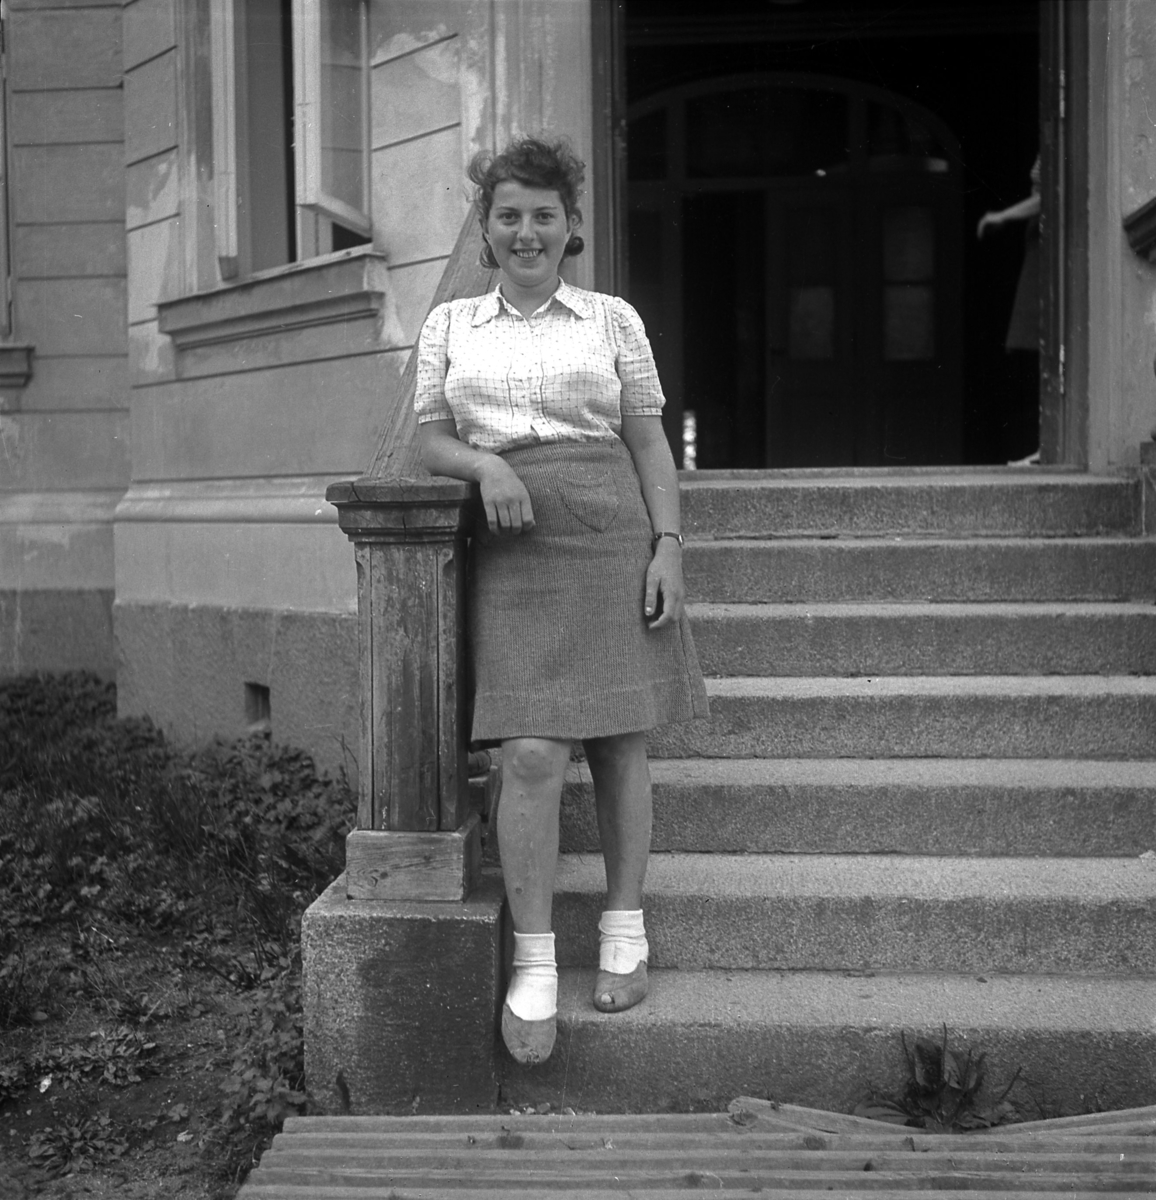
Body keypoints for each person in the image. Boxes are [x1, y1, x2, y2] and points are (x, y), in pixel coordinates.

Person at [414, 136, 709, 1066]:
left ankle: (625, 930)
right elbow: (428, 439)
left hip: (611, 532)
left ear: (571, 224)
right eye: (509, 215)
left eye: (544, 214)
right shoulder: (451, 326)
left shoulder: (612, 320)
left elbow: (650, 443)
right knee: (531, 753)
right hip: (514, 547)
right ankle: (534, 961)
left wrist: (668, 548)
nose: (527, 231)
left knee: (619, 742)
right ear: (487, 226)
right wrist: (485, 463)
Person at [977, 155, 1041, 465]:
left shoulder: (1056, 145)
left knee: (1049, 343)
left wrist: (1003, 215)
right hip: (1036, 241)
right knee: (1038, 345)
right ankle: (1045, 445)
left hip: (1047, 245)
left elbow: (1049, 198)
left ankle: (1048, 446)